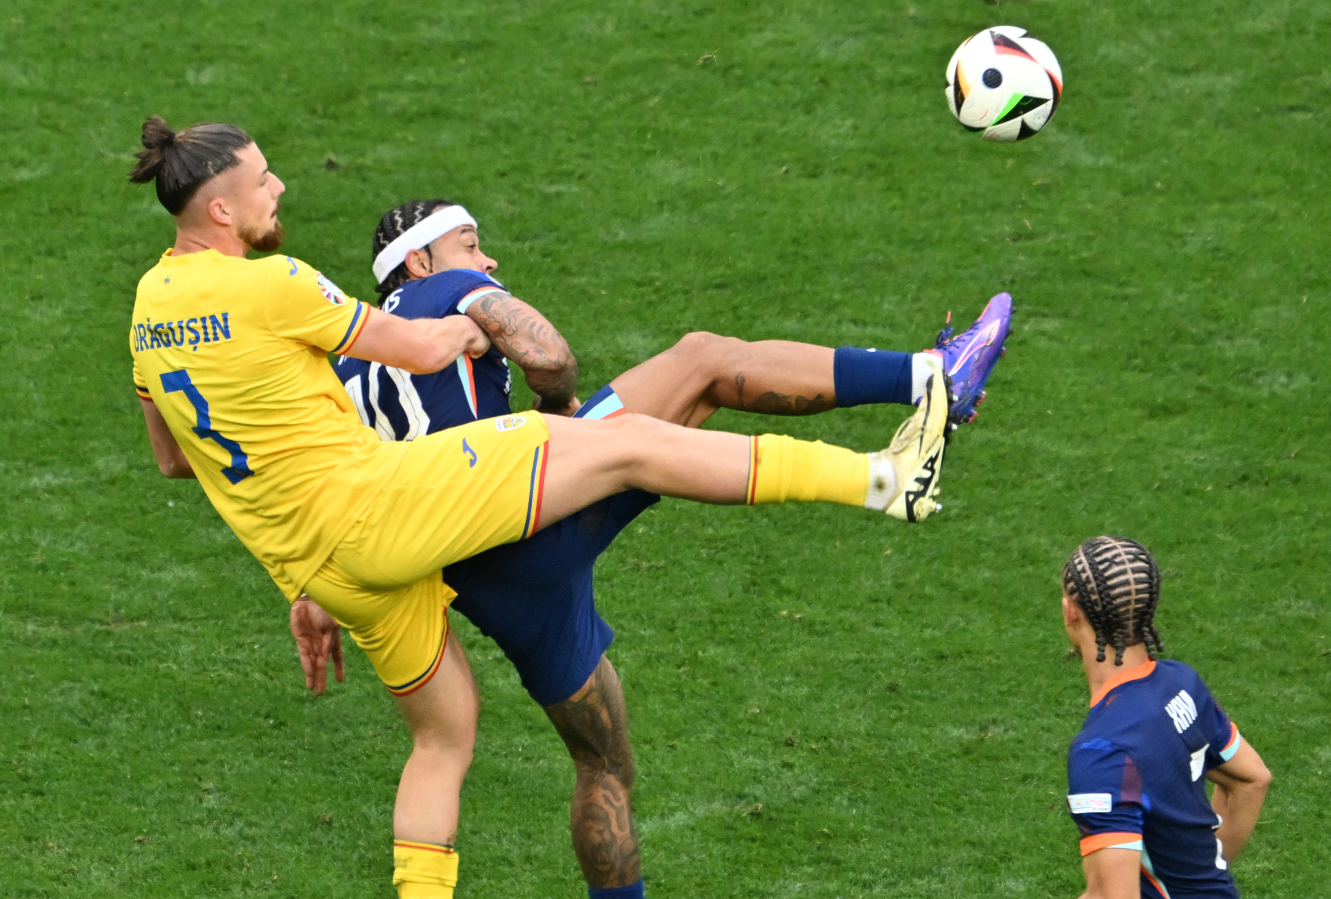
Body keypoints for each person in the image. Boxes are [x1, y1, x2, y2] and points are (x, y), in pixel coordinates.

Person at [126, 117, 951, 899]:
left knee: (444, 738)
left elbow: (172, 457)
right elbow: (429, 349)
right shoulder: (279, 284)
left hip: (331, 573)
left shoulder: (147, 312)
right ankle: (884, 476)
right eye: (264, 177)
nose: (279, 187)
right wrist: (472, 336)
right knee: (631, 439)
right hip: (397, 510)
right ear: (222, 208)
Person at [291, 198, 1013, 899]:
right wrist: (557, 409)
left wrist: (314, 595)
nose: (489, 260)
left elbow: (335, 497)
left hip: (481, 582)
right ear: (419, 262)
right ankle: (929, 379)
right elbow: (547, 355)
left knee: (601, 761)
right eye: (471, 244)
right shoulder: (439, 294)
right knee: (700, 362)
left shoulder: (343, 366)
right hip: (524, 511)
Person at [1060, 537, 1271, 899]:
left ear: (1070, 611)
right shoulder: (1181, 684)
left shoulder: (1103, 750)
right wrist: (1199, 878)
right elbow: (1251, 780)